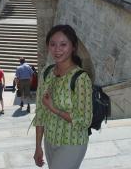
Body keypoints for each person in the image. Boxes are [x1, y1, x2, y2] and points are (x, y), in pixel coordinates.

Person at [33, 24, 92, 169]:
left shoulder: (80, 78)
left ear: (73, 47)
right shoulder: (46, 73)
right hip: (50, 140)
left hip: (73, 143)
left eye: (63, 44)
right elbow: (40, 112)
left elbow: (84, 120)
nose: (57, 49)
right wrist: (38, 146)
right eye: (52, 44)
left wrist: (54, 108)